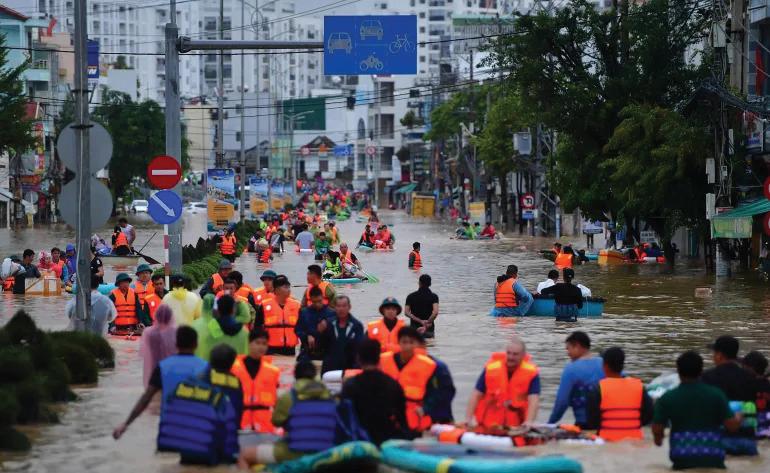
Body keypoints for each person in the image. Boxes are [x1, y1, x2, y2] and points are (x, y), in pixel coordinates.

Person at [113, 326, 208, 439]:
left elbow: (146, 398)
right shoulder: (206, 368)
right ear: (196, 344)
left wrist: (125, 424)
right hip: (198, 432)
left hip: (169, 433)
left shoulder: (163, 366)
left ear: (176, 344)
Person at [652, 351, 741, 470]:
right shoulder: (716, 395)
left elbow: (657, 430)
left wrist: (659, 439)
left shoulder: (667, 398)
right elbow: (732, 426)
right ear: (701, 371)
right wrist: (739, 417)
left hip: (682, 461)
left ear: (678, 371)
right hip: (714, 460)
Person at [237, 362, 337, 467]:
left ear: (295, 375)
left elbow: (276, 421)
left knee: (244, 455)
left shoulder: (289, 397)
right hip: (326, 453)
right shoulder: (331, 398)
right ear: (314, 375)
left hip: (294, 452)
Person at [341, 339, 410, 445]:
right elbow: (402, 420)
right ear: (379, 358)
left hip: (359, 441)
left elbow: (344, 419)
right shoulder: (392, 385)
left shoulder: (349, 386)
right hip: (386, 440)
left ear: (358, 359)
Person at [465, 336, 540, 428]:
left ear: (523, 355)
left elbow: (534, 400)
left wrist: (529, 422)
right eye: (509, 353)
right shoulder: (491, 369)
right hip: (488, 425)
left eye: (515, 354)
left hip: (517, 427)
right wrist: (468, 419)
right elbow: (476, 395)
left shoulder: (531, 373)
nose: (511, 357)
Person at [702, 335, 759, 455]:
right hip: (747, 442)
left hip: (718, 441)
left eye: (714, 353)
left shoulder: (708, 377)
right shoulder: (751, 377)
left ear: (720, 355)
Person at [586, 347, 653, 441]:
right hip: (635, 441)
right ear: (622, 365)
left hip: (607, 442)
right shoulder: (639, 386)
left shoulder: (597, 388)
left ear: (605, 366)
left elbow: (592, 421)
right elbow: (649, 415)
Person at [380, 327, 439, 433]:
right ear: (398, 342)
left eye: (411, 342)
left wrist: (425, 409)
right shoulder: (383, 360)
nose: (407, 346)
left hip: (414, 417)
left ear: (415, 344)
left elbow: (434, 392)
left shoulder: (428, 365)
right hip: (387, 415)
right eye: (404, 342)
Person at [548, 331, 606, 427]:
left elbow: (562, 402)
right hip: (608, 423)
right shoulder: (606, 364)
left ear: (577, 346)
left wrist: (549, 424)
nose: (568, 353)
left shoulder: (571, 369)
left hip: (584, 425)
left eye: (568, 349)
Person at [230, 328, 281, 433]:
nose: (261, 347)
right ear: (249, 343)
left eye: (264, 343)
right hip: (240, 423)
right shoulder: (234, 369)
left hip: (265, 427)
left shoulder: (273, 372)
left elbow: (276, 402)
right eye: (257, 343)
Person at [193, 294, 249, 361]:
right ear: (233, 310)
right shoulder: (244, 331)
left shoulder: (212, 327)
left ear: (218, 309)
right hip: (236, 368)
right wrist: (241, 303)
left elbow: (206, 350)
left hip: (216, 367)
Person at [318, 295, 365, 374]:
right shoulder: (328, 324)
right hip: (330, 369)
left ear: (349, 307)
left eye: (344, 306)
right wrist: (320, 333)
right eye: (338, 306)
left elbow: (360, 349)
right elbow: (320, 347)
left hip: (350, 369)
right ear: (334, 307)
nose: (341, 309)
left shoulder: (357, 326)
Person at [257, 275, 301, 356]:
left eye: (288, 287)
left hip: (290, 350)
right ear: (277, 290)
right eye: (285, 287)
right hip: (271, 350)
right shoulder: (264, 306)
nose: (288, 290)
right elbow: (257, 329)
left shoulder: (296, 305)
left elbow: (302, 328)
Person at [417, 337, 456, 424]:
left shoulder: (437, 366)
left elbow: (448, 392)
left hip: (439, 419)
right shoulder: (403, 366)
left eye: (411, 343)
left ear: (423, 346)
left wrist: (426, 409)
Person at [295, 286, 336, 362]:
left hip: (326, 352)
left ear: (322, 298)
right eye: (315, 302)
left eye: (319, 301)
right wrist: (307, 336)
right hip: (308, 351)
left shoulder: (331, 313)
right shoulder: (304, 313)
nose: (317, 304)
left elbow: (337, 333)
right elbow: (298, 330)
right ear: (310, 300)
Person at [140, 304, 177, 387]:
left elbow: (143, 353)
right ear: (171, 317)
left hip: (154, 371)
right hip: (171, 371)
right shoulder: (175, 332)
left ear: (156, 316)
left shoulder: (148, 332)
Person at [741, 351, 770, 437]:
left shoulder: (743, 385)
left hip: (750, 428)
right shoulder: (767, 385)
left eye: (744, 365)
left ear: (750, 368)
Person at [404, 274, 439, 338]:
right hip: (429, 329)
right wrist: (428, 322)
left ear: (419, 283)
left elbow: (406, 312)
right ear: (430, 284)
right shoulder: (434, 296)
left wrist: (420, 321)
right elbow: (435, 312)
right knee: (430, 347)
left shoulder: (411, 296)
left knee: (415, 347)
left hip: (414, 329)